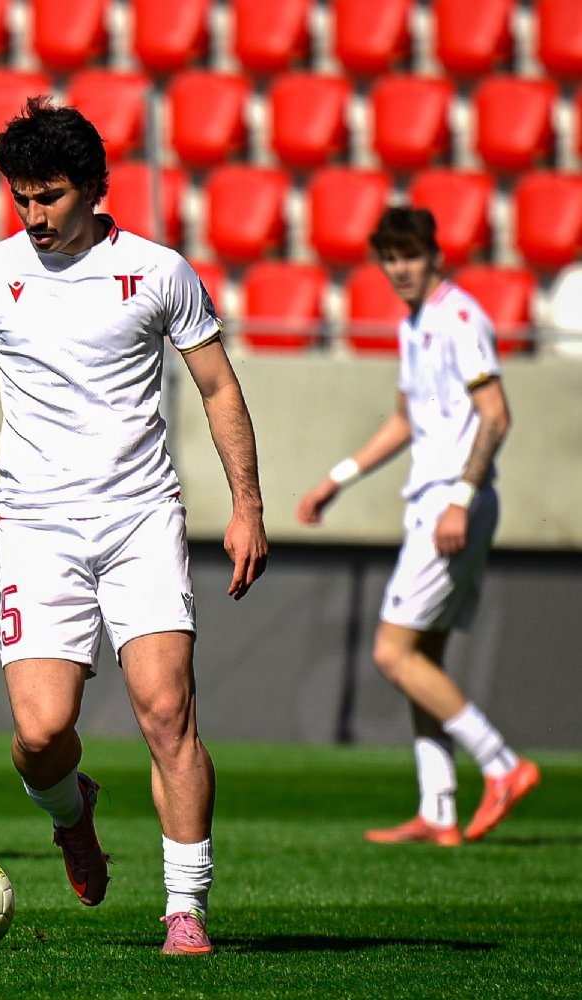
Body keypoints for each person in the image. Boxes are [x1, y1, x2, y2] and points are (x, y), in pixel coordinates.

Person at [0, 98, 269, 957]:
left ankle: (186, 910)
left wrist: (247, 505)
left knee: (166, 712)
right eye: (21, 198)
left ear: (94, 188)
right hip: (36, 525)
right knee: (41, 734)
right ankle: (71, 813)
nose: (34, 215)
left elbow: (218, 387)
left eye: (49, 196)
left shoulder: (159, 272)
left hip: (140, 517)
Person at [295, 206, 540, 847]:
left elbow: (496, 414)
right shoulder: (415, 325)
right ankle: (439, 808)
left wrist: (460, 497)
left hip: (452, 503)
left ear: (435, 255)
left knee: (391, 652)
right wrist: (337, 478)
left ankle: (502, 764)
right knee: (421, 657)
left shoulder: (461, 319)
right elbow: (405, 421)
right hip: (437, 501)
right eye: (390, 258)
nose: (400, 268)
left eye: (410, 255)